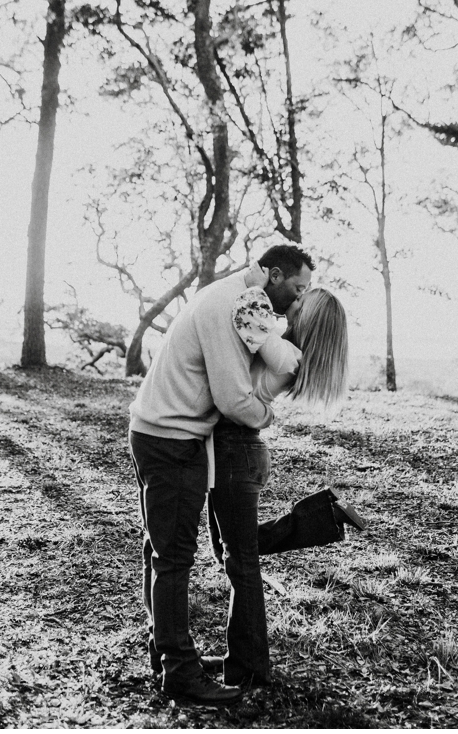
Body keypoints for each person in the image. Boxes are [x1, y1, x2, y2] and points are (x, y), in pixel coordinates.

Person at [128, 243, 313, 705]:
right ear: (272, 275)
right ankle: (180, 674)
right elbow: (234, 401)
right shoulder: (232, 306)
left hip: (157, 431)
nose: (297, 300)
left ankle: (167, 655)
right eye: (296, 288)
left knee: (161, 550)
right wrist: (267, 415)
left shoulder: (237, 297)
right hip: (173, 440)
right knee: (173, 558)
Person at [207, 272, 357, 688]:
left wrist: (254, 286)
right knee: (231, 551)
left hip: (237, 451)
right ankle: (323, 517)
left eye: (300, 302)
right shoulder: (287, 352)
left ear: (307, 320)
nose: (293, 303)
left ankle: (249, 667)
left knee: (241, 559)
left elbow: (247, 317)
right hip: (236, 452)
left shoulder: (285, 353)